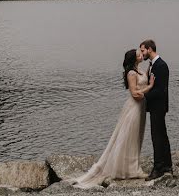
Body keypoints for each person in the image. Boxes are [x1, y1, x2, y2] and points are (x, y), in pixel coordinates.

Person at [71, 48, 155, 188]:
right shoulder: (131, 73)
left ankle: (132, 166)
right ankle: (130, 169)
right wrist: (150, 87)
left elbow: (142, 82)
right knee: (130, 138)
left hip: (140, 108)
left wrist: (148, 72)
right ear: (134, 59)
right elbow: (135, 94)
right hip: (134, 108)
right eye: (138, 54)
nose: (141, 55)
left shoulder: (139, 71)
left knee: (137, 137)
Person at [139, 39, 172, 179]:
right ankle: (167, 165)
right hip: (155, 107)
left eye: (143, 50)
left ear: (150, 49)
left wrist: (143, 97)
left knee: (157, 137)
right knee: (162, 136)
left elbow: (160, 90)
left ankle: (158, 168)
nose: (142, 53)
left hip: (158, 107)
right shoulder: (153, 65)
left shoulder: (161, 66)